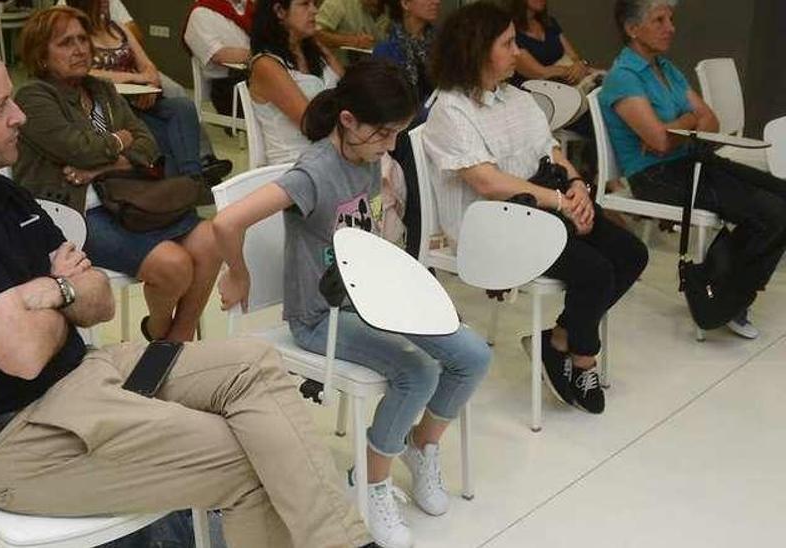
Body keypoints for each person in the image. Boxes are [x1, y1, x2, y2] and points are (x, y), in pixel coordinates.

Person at [0, 34, 376, 548]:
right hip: (16, 436)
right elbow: (22, 354)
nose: (19, 116)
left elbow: (100, 301)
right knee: (248, 455)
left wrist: (50, 292)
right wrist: (59, 284)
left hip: (86, 373)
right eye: (0, 108)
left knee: (256, 366)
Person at [213, 59, 490, 548]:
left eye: (395, 136)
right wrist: (239, 275)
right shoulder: (315, 172)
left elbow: (366, 235)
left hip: (370, 300)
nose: (389, 148)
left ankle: (420, 447)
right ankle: (368, 480)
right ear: (348, 121)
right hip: (320, 317)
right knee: (418, 372)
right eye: (382, 135)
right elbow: (226, 222)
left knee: (473, 355)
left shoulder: (365, 158)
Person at [423, 2, 648, 415]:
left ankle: (559, 338)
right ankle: (583, 358)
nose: (516, 51)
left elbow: (550, 151)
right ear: (477, 50)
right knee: (595, 270)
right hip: (489, 226)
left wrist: (577, 186)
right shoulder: (449, 110)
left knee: (632, 253)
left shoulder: (516, 98)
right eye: (507, 43)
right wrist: (561, 201)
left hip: (539, 208)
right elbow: (488, 182)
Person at [13, 7, 220, 343]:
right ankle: (161, 333)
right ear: (42, 54)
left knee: (211, 239)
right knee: (175, 265)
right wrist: (120, 141)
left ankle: (173, 340)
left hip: (130, 199)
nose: (80, 49)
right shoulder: (33, 98)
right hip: (76, 214)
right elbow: (78, 149)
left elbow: (149, 145)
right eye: (66, 43)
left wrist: (105, 165)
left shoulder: (102, 90)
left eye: (82, 39)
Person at [599, 0, 786, 339]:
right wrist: (687, 124)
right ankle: (727, 298)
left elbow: (710, 120)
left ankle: (718, 281)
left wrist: (679, 128)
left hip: (688, 163)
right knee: (772, 213)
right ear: (632, 29)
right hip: (654, 177)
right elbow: (658, 141)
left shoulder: (666, 69)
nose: (670, 26)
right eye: (659, 19)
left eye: (671, 18)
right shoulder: (623, 78)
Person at [68, 0, 229, 181]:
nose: (107, 3)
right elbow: (89, 73)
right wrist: (137, 79)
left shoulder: (118, 28)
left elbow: (147, 65)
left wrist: (149, 85)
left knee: (182, 106)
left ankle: (193, 176)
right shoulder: (78, 37)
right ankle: (188, 179)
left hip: (141, 96)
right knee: (160, 130)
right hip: (113, 103)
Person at [248, 0, 343, 165]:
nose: (314, 10)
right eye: (305, 4)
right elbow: (311, 124)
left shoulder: (316, 49)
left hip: (333, 153)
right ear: (279, 11)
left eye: (314, 3)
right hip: (296, 166)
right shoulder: (266, 64)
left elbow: (353, 89)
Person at [183, 0, 253, 117]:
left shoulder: (249, 9)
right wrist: (262, 56)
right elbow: (218, 54)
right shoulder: (201, 13)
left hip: (256, 76)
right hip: (229, 85)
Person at [506, 0, 599, 87]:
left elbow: (574, 57)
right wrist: (571, 70)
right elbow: (540, 73)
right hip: (536, 93)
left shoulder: (549, 23)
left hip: (566, 83)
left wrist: (581, 64)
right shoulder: (510, 30)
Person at [372, 0, 438, 107]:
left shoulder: (441, 41)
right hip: (405, 118)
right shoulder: (387, 48)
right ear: (405, 4)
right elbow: (384, 102)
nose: (436, 1)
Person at [315, 0, 390, 64]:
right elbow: (314, 35)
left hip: (379, 72)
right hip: (340, 73)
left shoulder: (391, 8)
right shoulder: (339, 3)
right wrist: (352, 41)